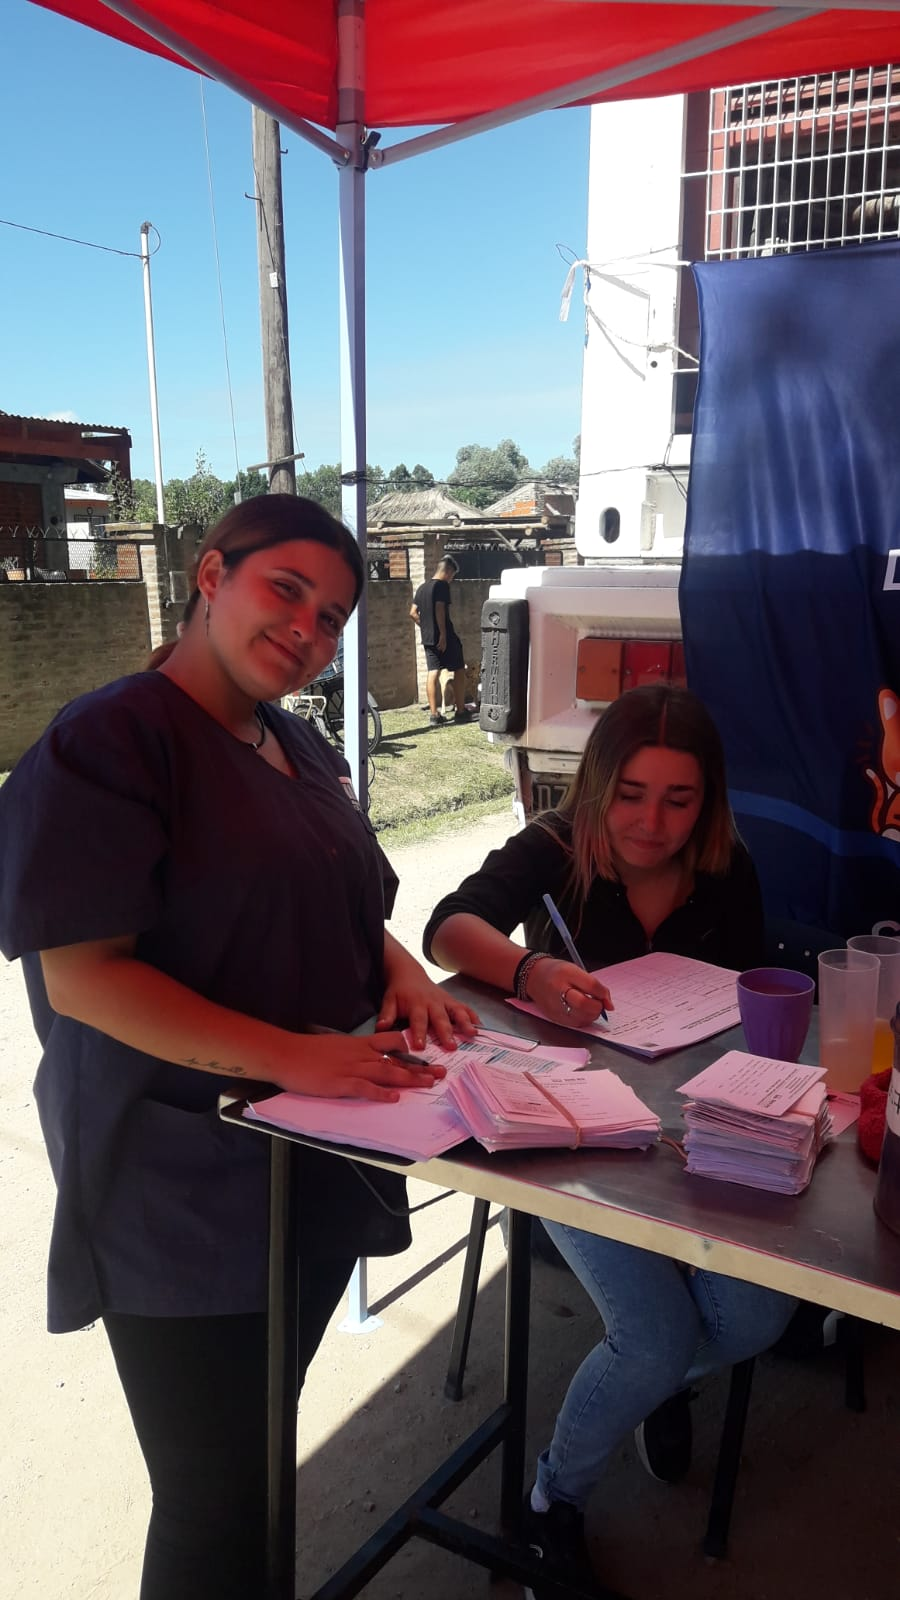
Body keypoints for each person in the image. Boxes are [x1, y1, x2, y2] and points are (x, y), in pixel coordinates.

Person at [0, 494, 479, 1600]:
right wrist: (292, 1057)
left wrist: (403, 971)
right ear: (211, 575)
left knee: (261, 1457)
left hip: (308, 1157)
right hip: (174, 1182)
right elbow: (84, 976)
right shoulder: (108, 741)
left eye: (333, 617)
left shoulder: (293, 742)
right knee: (213, 1495)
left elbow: (346, 900)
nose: (308, 630)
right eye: (286, 591)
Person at [423, 683, 797, 1598]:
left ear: (708, 801)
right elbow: (446, 928)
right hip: (571, 1133)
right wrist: (528, 968)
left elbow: (743, 1009)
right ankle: (552, 1501)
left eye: (679, 799)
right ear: (596, 785)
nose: (651, 823)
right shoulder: (554, 847)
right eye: (630, 794)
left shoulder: (728, 868)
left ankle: (654, 1388)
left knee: (759, 1316)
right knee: (653, 1338)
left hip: (690, 1130)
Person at [409, 555, 470, 726]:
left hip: (428, 638)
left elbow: (412, 613)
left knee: (433, 672)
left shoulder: (422, 588)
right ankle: (461, 711)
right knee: (459, 669)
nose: (451, 580)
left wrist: (426, 627)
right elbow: (439, 608)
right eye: (452, 576)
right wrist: (442, 634)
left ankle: (434, 715)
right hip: (446, 636)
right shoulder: (441, 586)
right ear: (448, 571)